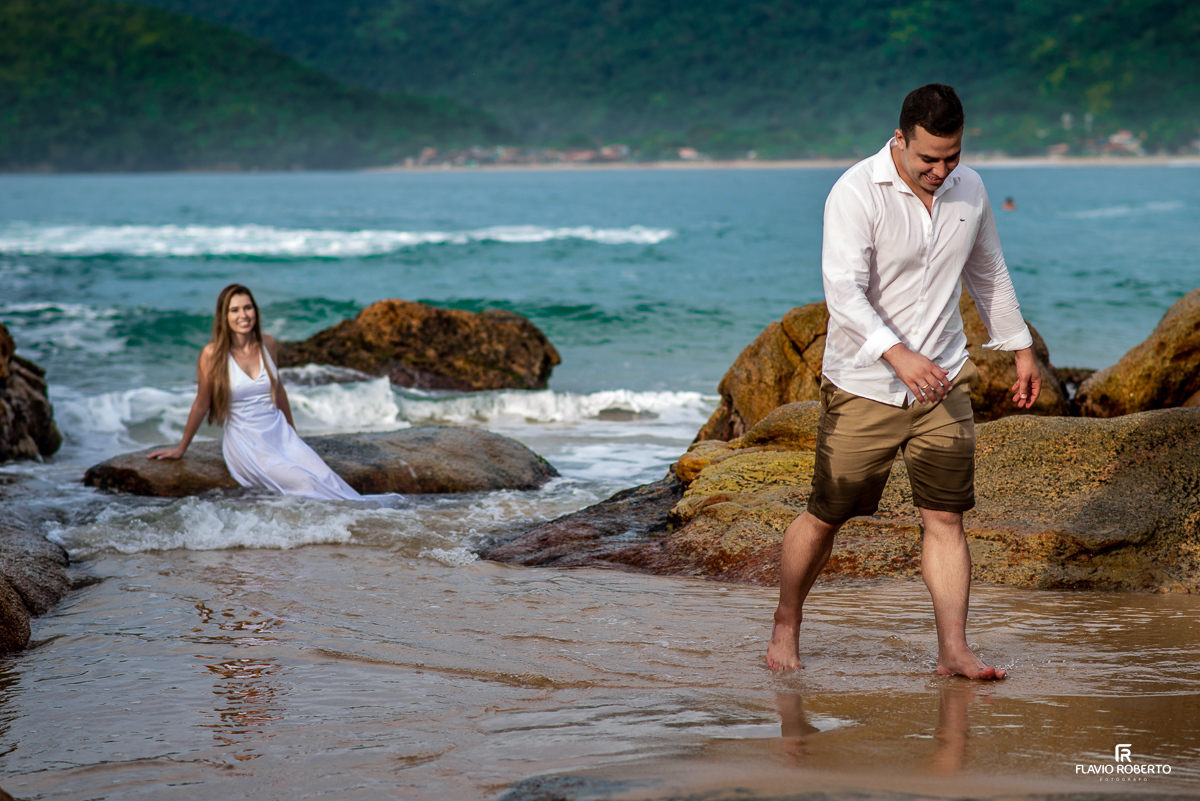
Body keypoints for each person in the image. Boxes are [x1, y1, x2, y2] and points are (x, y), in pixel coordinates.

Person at [765, 84, 1041, 679]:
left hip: (942, 380)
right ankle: (787, 623)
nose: (942, 170)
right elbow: (843, 291)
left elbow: (988, 269)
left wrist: (1020, 348)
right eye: (928, 159)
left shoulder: (970, 189)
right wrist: (897, 355)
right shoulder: (855, 192)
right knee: (826, 514)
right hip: (865, 383)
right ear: (900, 139)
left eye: (952, 156)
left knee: (946, 516)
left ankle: (954, 651)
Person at [147, 283, 368, 501]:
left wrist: (294, 438)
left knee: (327, 476)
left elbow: (279, 391)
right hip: (245, 440)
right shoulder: (212, 354)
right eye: (234, 310)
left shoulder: (268, 343)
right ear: (224, 316)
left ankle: (364, 520)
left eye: (248, 308)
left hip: (279, 432)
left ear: (255, 311)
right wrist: (181, 448)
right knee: (305, 482)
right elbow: (201, 403)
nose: (243, 315)